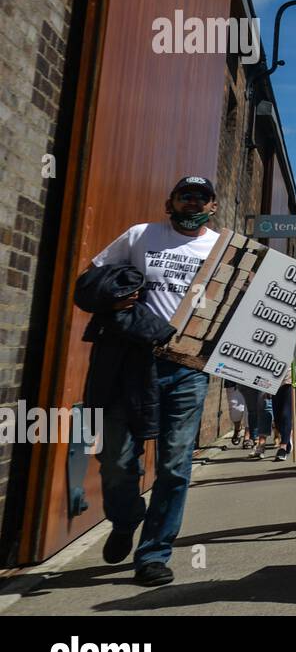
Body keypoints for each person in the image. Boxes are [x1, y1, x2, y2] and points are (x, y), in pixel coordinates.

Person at [81, 176, 223, 587]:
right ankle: (126, 518)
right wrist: (115, 297)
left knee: (175, 466)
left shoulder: (219, 247)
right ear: (171, 201)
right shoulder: (141, 235)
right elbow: (95, 274)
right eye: (185, 195)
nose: (192, 201)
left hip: (186, 368)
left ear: (212, 206)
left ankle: (154, 553)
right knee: (116, 460)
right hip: (131, 363)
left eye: (201, 196)